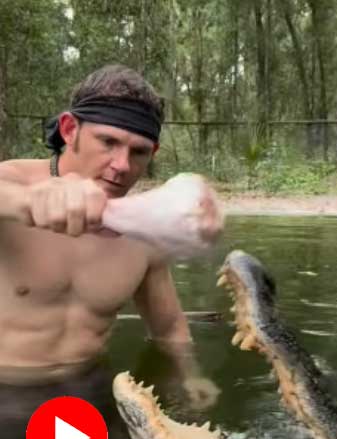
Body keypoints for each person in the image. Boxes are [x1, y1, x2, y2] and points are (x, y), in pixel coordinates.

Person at [0, 64, 218, 404]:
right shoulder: (12, 183)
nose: (122, 165)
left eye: (139, 151)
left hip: (87, 392)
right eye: (108, 142)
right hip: (7, 393)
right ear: (70, 130)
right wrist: (28, 201)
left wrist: (190, 375)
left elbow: (169, 327)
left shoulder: (143, 230)